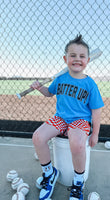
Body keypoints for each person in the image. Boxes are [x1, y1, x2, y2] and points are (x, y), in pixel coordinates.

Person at [30, 35, 104, 200]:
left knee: (77, 143)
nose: (77, 59)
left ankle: (78, 182)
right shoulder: (60, 79)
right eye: (73, 55)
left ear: (88, 60)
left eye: (82, 56)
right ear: (65, 59)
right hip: (61, 118)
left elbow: (96, 111)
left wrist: (95, 133)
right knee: (38, 137)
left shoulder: (90, 84)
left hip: (81, 120)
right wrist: (40, 87)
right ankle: (50, 174)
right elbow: (50, 93)